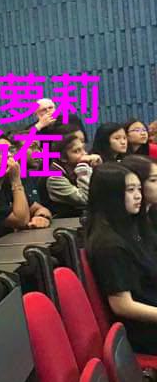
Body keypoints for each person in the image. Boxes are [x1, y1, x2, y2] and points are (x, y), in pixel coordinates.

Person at [86, 163, 157, 355]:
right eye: (130, 190)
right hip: (144, 332)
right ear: (111, 196)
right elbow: (122, 305)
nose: (138, 196)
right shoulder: (109, 245)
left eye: (139, 189)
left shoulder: (130, 228)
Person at [39, 131, 100, 217]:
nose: (84, 154)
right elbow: (85, 198)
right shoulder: (54, 178)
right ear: (62, 158)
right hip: (62, 221)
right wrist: (82, 167)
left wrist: (97, 168)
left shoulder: (73, 169)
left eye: (83, 149)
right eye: (76, 151)